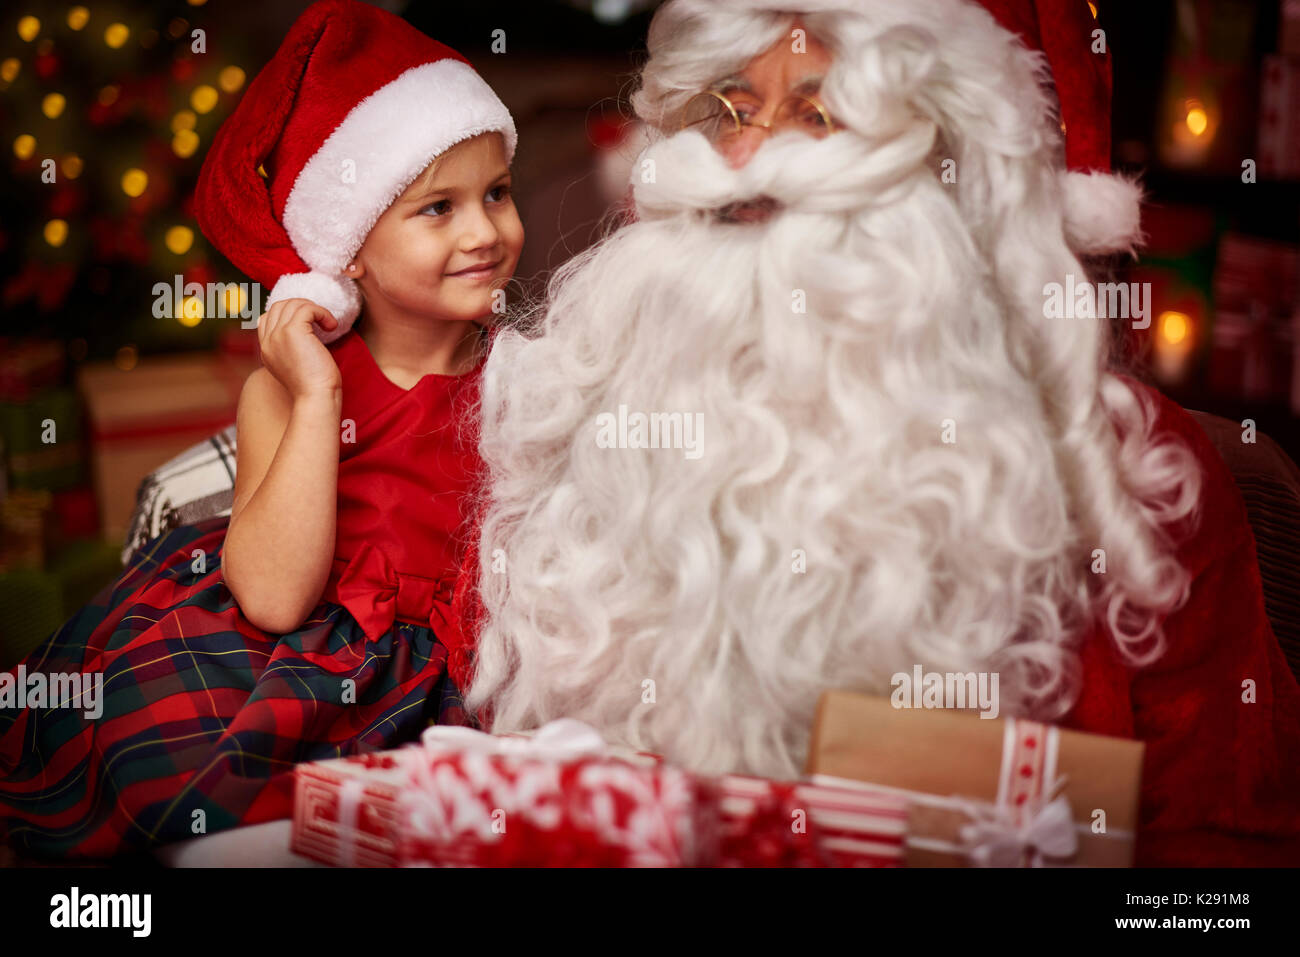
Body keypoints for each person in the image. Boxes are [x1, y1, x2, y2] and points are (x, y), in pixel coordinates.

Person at [461, 0, 1300, 866]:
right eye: (730, 112)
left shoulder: (1126, 475)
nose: (752, 163)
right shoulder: (594, 425)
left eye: (819, 115)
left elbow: (1229, 857)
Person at [0, 0, 522, 860]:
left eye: (496, 192)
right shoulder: (290, 388)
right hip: (288, 654)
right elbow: (276, 598)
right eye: (439, 208)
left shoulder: (528, 380)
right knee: (168, 778)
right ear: (350, 247)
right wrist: (317, 396)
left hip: (451, 679)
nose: (485, 230)